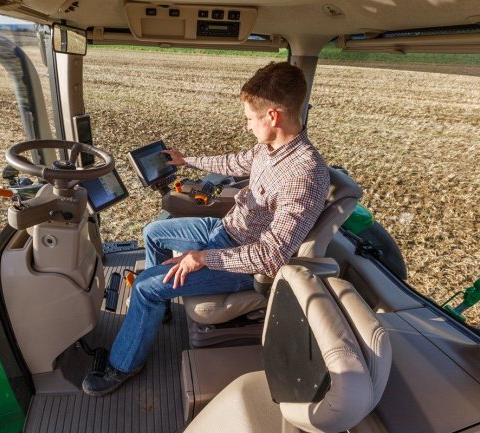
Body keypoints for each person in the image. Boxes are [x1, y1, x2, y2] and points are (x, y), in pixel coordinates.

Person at [82, 61, 330, 397]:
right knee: (155, 231)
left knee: (144, 286)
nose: (247, 126)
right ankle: (159, 308)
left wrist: (203, 258)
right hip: (226, 230)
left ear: (272, 116)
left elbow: (271, 257)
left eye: (249, 119)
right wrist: (186, 161)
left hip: (243, 261)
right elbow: (236, 161)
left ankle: (124, 364)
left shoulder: (303, 175)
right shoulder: (270, 147)